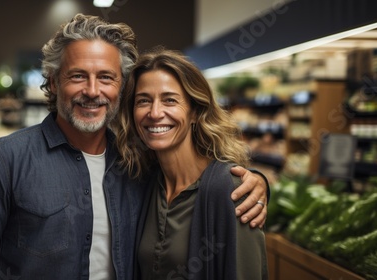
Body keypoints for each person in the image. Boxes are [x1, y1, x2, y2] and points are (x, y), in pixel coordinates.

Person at [0, 14, 268, 280]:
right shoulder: (3, 160)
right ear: (54, 81)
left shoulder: (137, 163)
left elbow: (196, 174)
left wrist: (252, 180)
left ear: (121, 87)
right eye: (77, 76)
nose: (92, 90)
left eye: (106, 77)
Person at [113, 47, 268, 279]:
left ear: (195, 111)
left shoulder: (231, 189)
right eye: (143, 100)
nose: (155, 113)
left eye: (170, 100)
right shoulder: (145, 183)